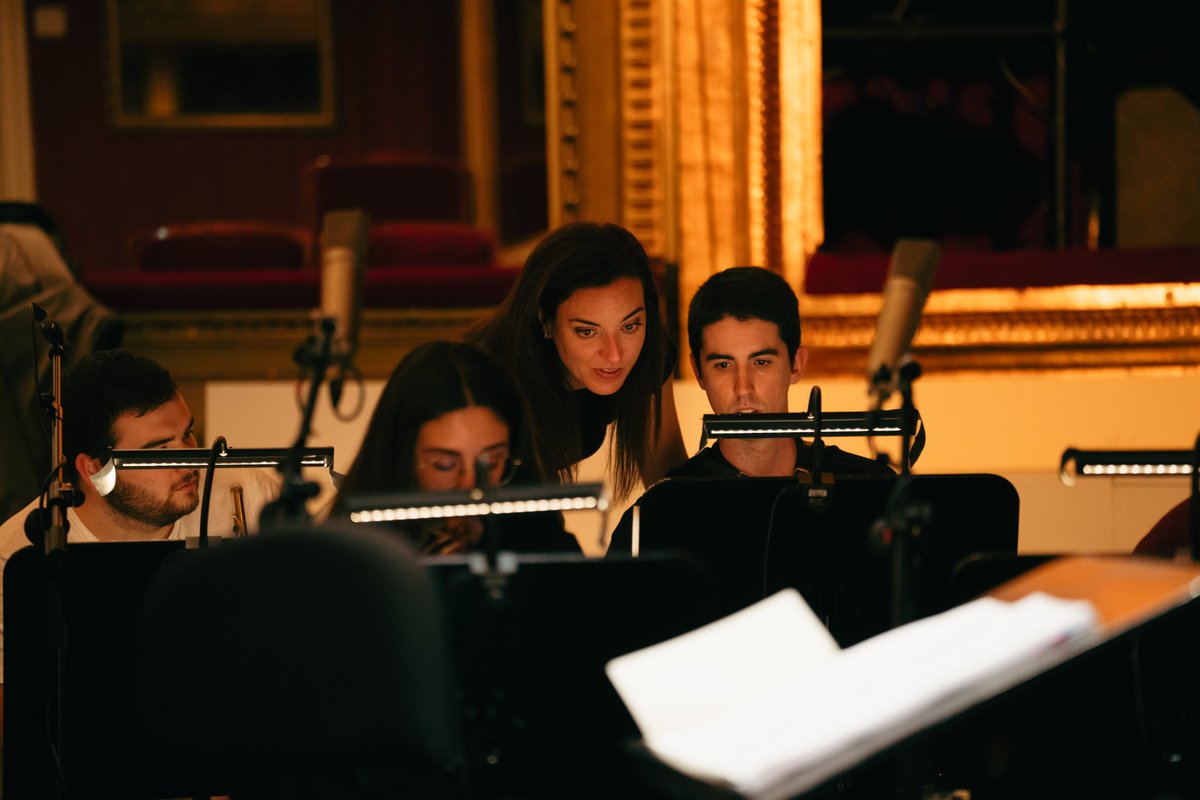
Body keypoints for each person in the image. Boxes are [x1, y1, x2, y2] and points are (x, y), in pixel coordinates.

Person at [0, 349, 279, 722]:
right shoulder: (14, 554)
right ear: (94, 469)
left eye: (188, 434)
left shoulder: (253, 494)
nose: (189, 460)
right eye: (160, 450)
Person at [607, 266, 890, 555]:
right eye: (723, 365)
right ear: (698, 372)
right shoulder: (663, 511)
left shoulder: (868, 489)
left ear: (796, 364)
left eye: (761, 362)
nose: (743, 388)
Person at [469, 221, 686, 501]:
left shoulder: (649, 351)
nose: (614, 354)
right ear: (545, 321)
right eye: (587, 331)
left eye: (630, 326)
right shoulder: (486, 378)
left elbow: (669, 484)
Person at [332, 341, 579, 554]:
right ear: (401, 455)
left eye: (491, 462)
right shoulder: (350, 551)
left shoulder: (546, 547)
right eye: (444, 465)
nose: (470, 485)